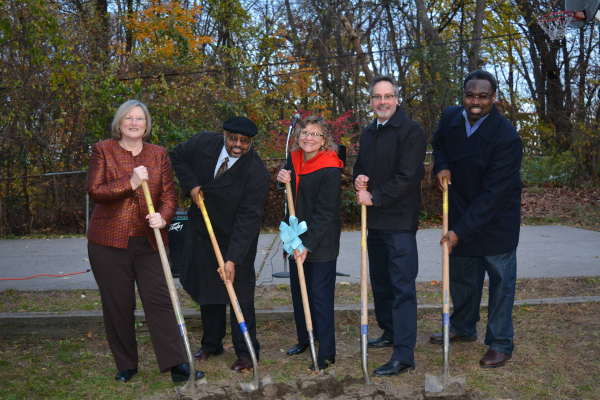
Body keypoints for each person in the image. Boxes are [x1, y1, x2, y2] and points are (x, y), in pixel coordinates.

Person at [86, 100, 203, 383]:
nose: (134, 123)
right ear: (120, 123)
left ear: (146, 124)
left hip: (150, 242)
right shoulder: (103, 150)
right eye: (129, 118)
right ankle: (126, 364)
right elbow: (95, 191)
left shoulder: (158, 154)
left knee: (161, 300)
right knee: (118, 304)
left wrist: (163, 217)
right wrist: (131, 183)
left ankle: (177, 363)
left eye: (140, 118)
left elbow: (169, 196)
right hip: (109, 243)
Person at [429, 70, 522, 368]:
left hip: (496, 220)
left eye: (483, 96)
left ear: (494, 98)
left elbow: (495, 194)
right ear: (463, 95)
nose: (475, 101)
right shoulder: (450, 117)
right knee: (462, 278)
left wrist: (460, 231)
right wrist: (440, 166)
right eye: (470, 95)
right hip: (459, 209)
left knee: (500, 283)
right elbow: (439, 143)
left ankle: (500, 342)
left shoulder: (507, 137)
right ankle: (463, 327)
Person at [169, 116, 271, 373]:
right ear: (224, 134)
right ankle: (211, 344)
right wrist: (191, 185)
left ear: (251, 142)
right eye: (233, 138)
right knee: (209, 289)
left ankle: (247, 352)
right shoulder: (204, 142)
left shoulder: (257, 173)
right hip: (203, 230)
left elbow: (249, 220)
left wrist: (232, 260)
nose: (237, 145)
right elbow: (177, 155)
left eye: (244, 141)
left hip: (236, 237)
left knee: (240, 294)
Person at [353, 75, 426, 376]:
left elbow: (409, 177)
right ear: (370, 102)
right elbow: (361, 167)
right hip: (375, 222)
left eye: (388, 96)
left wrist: (375, 197)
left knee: (401, 287)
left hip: (399, 222)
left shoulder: (411, 131)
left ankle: (404, 354)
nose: (382, 102)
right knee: (381, 282)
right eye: (376, 97)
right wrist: (358, 179)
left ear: (397, 99)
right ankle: (390, 332)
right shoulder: (369, 132)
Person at [276, 115, 344, 370]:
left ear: (324, 139)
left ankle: (327, 351)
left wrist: (307, 244)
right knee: (298, 292)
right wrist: (281, 179)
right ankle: (305, 338)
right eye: (305, 132)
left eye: (316, 134)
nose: (309, 137)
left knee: (319, 296)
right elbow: (286, 189)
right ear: (298, 136)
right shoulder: (293, 159)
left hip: (320, 241)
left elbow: (325, 213)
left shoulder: (330, 167)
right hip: (294, 235)